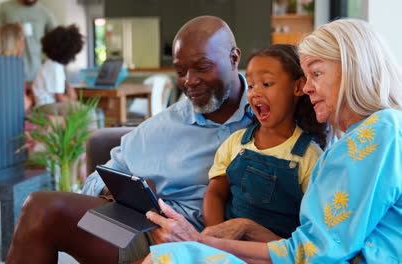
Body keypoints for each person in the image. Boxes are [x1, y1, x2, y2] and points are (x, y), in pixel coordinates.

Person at [144, 18, 402, 264]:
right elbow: (309, 247)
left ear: (352, 71)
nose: (308, 87)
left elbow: (314, 254)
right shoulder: (365, 137)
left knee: (169, 256)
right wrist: (243, 228)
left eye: (317, 73)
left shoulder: (381, 130)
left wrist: (199, 242)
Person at [6, 16, 252, 264]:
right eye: (180, 71)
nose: (189, 80)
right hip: (145, 232)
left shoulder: (268, 113)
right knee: (41, 207)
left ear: (233, 58)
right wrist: (119, 190)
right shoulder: (161, 127)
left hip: (205, 241)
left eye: (202, 67)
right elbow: (94, 181)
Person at [203, 44, 326, 240]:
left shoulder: (312, 158)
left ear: (298, 86)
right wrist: (216, 237)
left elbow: (312, 234)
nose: (255, 92)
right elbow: (216, 193)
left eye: (267, 84)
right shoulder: (236, 143)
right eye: (251, 85)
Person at [0, 0, 55, 86]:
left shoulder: (45, 13)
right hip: (9, 73)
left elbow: (55, 43)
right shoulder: (4, 8)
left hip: (36, 74)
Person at [32, 24, 82, 106]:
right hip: (47, 106)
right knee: (86, 111)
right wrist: (75, 103)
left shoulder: (51, 65)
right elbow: (59, 98)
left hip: (48, 104)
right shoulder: (54, 68)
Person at [0, 22, 33, 111]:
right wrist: (32, 97)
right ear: (17, 43)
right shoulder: (13, 68)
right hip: (14, 120)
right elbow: (24, 105)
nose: (24, 45)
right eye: (22, 40)